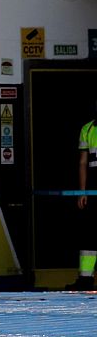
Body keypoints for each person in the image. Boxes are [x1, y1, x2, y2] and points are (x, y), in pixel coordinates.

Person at [71, 101, 97, 291]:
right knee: (89, 233)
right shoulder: (87, 129)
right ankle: (85, 279)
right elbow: (83, 162)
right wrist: (82, 191)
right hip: (93, 187)